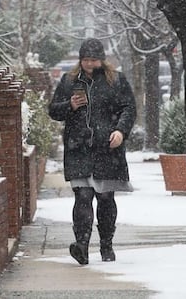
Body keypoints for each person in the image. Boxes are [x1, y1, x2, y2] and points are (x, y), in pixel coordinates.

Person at [48, 38, 137, 265]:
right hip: (78, 147)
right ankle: (82, 246)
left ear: (102, 60)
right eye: (86, 60)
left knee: (105, 198)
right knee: (83, 196)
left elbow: (129, 108)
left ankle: (106, 245)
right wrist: (71, 105)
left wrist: (120, 132)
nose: (89, 64)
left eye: (94, 60)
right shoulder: (69, 81)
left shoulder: (116, 80)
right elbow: (53, 110)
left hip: (107, 147)